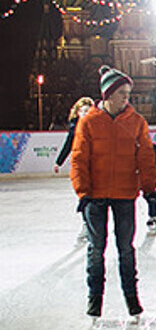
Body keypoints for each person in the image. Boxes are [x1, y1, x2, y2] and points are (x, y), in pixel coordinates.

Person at [70, 65, 156, 318]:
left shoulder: (136, 122)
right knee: (96, 249)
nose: (126, 98)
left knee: (126, 249)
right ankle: (94, 298)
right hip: (95, 196)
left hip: (125, 195)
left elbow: (145, 158)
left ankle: (131, 297)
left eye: (128, 93)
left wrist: (149, 189)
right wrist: (83, 193)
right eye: (122, 93)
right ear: (107, 94)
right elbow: (78, 159)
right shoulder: (88, 122)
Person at [54, 96, 94, 242]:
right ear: (77, 112)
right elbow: (68, 145)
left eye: (88, 111)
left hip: (94, 164)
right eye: (83, 111)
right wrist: (59, 162)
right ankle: (86, 224)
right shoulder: (74, 128)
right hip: (80, 165)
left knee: (94, 196)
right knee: (83, 195)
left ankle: (92, 225)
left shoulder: (96, 125)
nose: (85, 114)